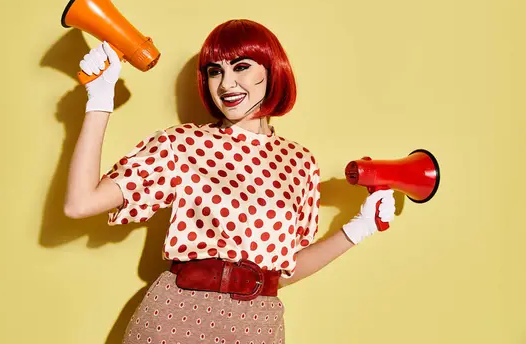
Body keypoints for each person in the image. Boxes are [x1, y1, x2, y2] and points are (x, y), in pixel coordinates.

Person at [63, 19, 396, 344]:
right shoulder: (182, 145)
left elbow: (285, 269)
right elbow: (81, 203)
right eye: (215, 71)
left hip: (258, 329)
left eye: (240, 67)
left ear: (271, 69)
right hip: (176, 319)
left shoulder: (300, 163)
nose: (225, 84)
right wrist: (100, 99)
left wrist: (360, 227)